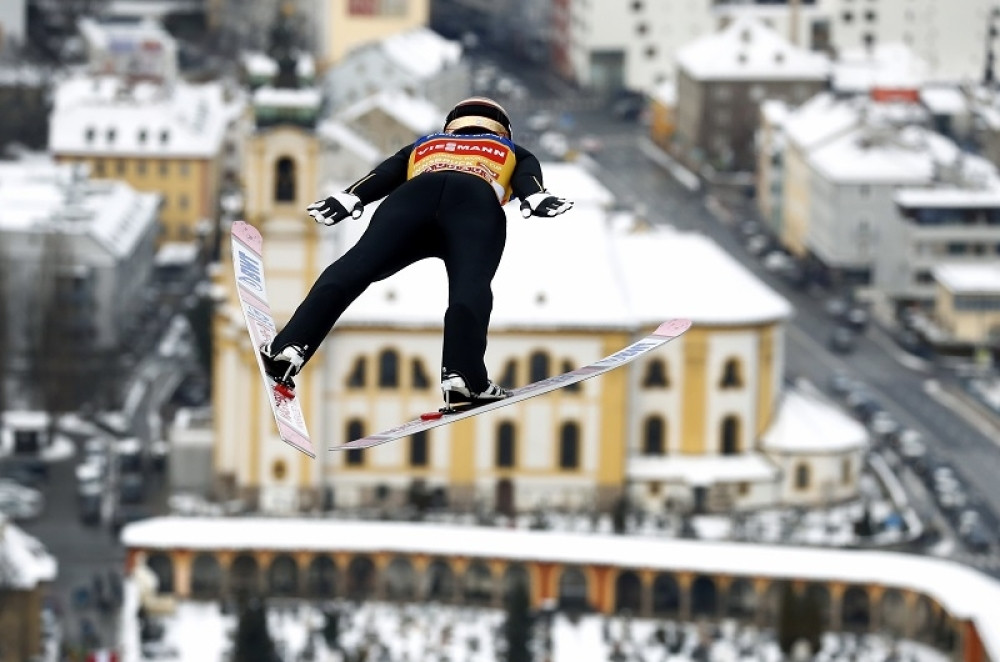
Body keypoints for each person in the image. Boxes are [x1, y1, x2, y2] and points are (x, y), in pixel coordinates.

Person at [261, 97, 573, 407]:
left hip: (411, 200)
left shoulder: (426, 144)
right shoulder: (510, 149)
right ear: (504, 130)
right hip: (474, 202)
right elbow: (527, 179)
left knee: (356, 267)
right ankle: (463, 377)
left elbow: (384, 174)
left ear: (450, 125)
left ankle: (289, 347)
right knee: (470, 287)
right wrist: (535, 197)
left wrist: (351, 197)